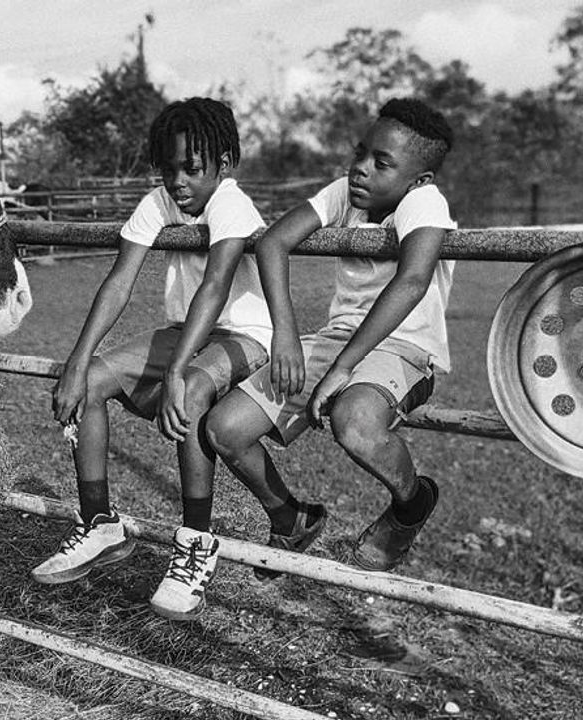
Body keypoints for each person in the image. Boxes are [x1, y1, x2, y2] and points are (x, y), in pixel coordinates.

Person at [32, 97, 272, 620]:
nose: (178, 181)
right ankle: (100, 524)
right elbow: (120, 281)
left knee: (192, 394)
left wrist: (180, 373)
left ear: (224, 165)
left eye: (192, 168)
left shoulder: (231, 203)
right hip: (185, 330)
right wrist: (77, 360)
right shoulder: (160, 201)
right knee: (92, 382)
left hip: (244, 335)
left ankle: (196, 543)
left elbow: (214, 287)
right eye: (168, 170)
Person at [206, 98, 456, 579]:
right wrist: (285, 336)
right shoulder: (347, 191)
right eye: (361, 153)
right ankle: (290, 517)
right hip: (335, 339)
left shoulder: (425, 200)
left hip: (404, 346)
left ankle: (412, 504)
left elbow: (412, 281)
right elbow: (275, 242)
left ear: (418, 177)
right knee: (224, 429)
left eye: (381, 163)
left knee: (355, 422)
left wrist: (342, 369)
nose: (360, 169)